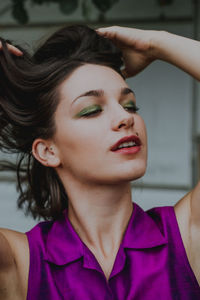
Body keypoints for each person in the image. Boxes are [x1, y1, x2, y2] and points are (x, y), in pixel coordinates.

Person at [0, 24, 199, 300]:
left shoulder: (186, 237)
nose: (125, 118)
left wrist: (156, 44)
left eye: (130, 105)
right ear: (47, 151)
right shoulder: (20, 262)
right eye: (92, 110)